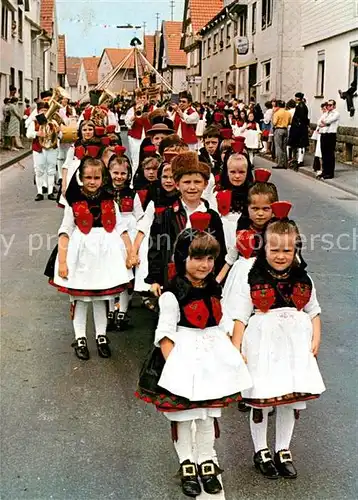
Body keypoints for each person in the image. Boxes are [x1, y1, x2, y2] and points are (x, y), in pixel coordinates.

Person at [135, 229, 252, 497]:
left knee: (208, 414)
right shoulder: (171, 294)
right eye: (197, 257)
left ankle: (206, 461)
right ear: (182, 257)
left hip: (212, 359)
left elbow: (224, 323)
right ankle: (187, 462)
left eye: (210, 258)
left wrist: (235, 352)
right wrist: (175, 367)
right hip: (182, 358)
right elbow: (165, 334)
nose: (205, 265)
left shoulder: (215, 290)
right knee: (185, 417)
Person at [222, 201, 325, 479]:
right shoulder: (252, 278)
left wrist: (316, 337)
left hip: (294, 348)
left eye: (287, 250)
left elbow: (314, 310)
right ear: (264, 248)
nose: (281, 256)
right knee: (262, 399)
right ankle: (261, 450)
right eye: (274, 249)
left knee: (288, 400)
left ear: (296, 250)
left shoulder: (303, 279)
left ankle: (283, 449)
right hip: (262, 346)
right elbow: (241, 317)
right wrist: (237, 348)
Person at [45, 157, 133, 360]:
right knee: (81, 298)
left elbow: (121, 228)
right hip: (81, 256)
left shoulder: (110, 200)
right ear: (80, 178)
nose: (92, 182)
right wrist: (63, 261)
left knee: (101, 299)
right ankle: (81, 337)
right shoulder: (73, 203)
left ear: (103, 179)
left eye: (97, 177)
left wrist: (130, 253)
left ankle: (101, 336)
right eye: (88, 178)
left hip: (104, 255)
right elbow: (65, 231)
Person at [146, 152, 227, 297]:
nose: (192, 187)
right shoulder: (166, 216)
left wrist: (218, 279)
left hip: (205, 278)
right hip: (173, 277)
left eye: (197, 182)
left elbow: (220, 250)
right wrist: (155, 279)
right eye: (187, 182)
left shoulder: (213, 217)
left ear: (205, 185)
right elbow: (156, 248)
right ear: (177, 185)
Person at [217, 169, 278, 285]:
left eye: (265, 209)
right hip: (242, 279)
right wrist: (216, 282)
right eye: (255, 209)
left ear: (273, 210)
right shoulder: (243, 233)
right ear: (247, 208)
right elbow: (230, 259)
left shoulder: (277, 233)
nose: (260, 213)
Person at [105, 154, 143, 330]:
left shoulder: (132, 194)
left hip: (129, 234)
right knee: (111, 274)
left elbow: (140, 215)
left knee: (127, 274)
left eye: (123, 173)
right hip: (110, 233)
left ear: (128, 175)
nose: (119, 177)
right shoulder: (104, 193)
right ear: (109, 172)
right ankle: (111, 310)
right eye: (115, 173)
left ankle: (123, 311)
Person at [213, 153, 252, 250]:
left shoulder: (253, 194)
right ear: (227, 172)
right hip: (224, 236)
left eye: (242, 172)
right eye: (233, 172)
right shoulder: (218, 194)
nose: (237, 176)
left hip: (246, 237)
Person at [26, 101, 60, 201]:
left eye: (46, 110)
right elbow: (28, 134)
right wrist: (37, 133)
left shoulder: (53, 121)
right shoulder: (35, 121)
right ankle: (40, 192)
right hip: (39, 148)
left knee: (51, 170)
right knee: (39, 170)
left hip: (51, 148)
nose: (44, 112)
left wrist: (58, 131)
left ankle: (50, 192)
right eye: (42, 110)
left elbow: (61, 136)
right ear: (38, 111)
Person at [125, 90, 151, 177]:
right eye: (139, 98)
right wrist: (135, 116)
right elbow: (128, 123)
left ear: (147, 99)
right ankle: (134, 179)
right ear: (136, 99)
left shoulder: (152, 108)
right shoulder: (131, 110)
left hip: (149, 137)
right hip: (135, 138)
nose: (141, 100)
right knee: (136, 159)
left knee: (149, 158)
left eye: (144, 98)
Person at [317, 99, 340, 180]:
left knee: (329, 154)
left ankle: (330, 173)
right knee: (324, 154)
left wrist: (325, 123)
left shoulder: (336, 114)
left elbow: (329, 121)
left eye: (330, 105)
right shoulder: (325, 113)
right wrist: (324, 123)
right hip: (324, 134)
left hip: (331, 135)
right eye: (327, 105)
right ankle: (324, 171)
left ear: (334, 106)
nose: (328, 106)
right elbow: (319, 122)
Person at [287, 92, 310, 170]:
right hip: (300, 128)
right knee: (300, 145)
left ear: (297, 98)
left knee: (301, 145)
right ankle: (298, 159)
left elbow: (301, 118)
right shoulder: (302, 106)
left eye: (296, 97)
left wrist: (297, 127)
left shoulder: (301, 106)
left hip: (300, 129)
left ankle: (300, 160)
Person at [272, 100, 292, 169]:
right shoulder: (288, 113)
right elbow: (290, 122)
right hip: (285, 130)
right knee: (284, 147)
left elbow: (274, 123)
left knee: (278, 147)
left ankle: (279, 163)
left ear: (278, 106)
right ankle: (285, 163)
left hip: (278, 129)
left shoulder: (277, 113)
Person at [311, 102, 327, 172]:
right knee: (318, 152)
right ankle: (318, 167)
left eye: (324, 109)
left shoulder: (327, 116)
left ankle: (322, 168)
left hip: (324, 135)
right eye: (322, 109)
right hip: (320, 135)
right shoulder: (323, 116)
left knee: (321, 153)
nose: (323, 110)